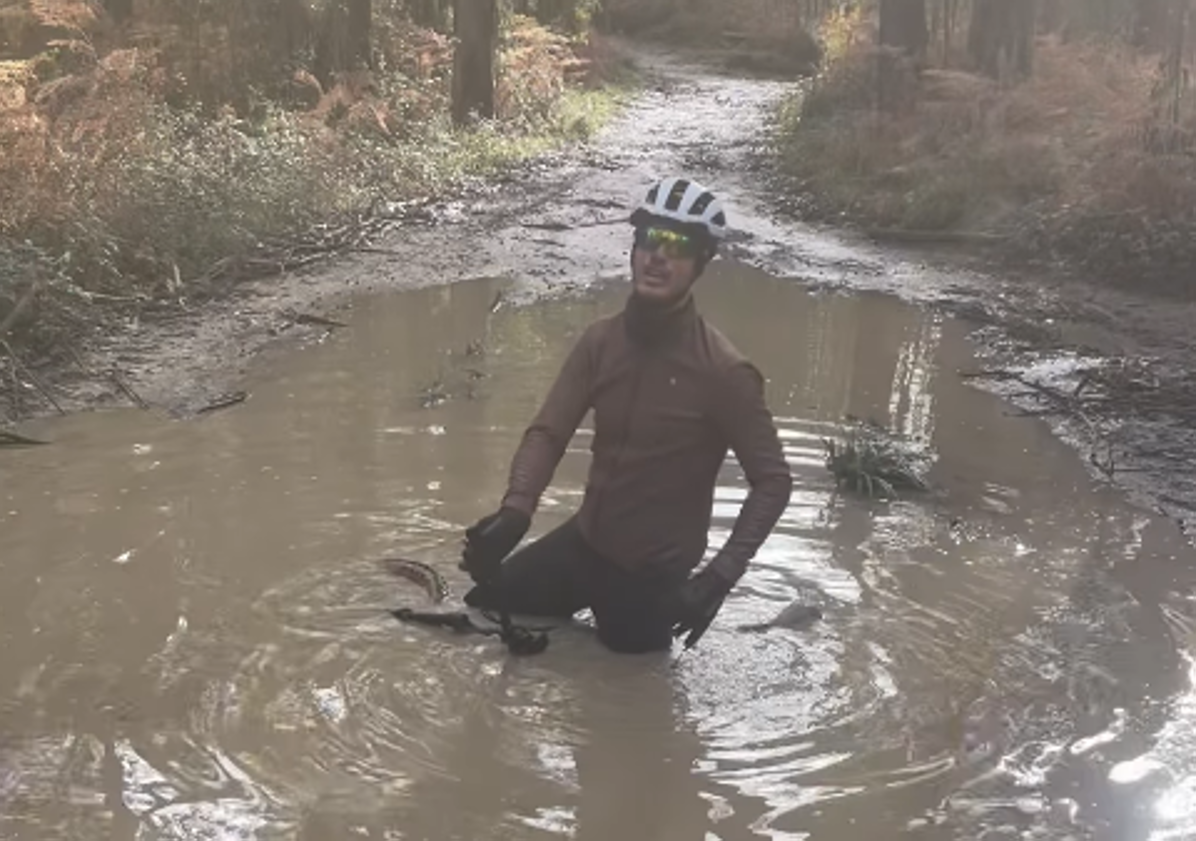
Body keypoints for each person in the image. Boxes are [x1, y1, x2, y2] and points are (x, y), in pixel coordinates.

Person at [459, 176, 794, 654]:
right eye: (649, 238)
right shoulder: (601, 342)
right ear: (634, 249)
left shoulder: (724, 371)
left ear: (701, 263)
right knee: (481, 608)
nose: (658, 254)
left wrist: (718, 578)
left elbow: (773, 480)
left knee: (628, 699)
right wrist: (516, 510)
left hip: (649, 577)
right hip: (584, 544)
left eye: (677, 245)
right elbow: (549, 432)